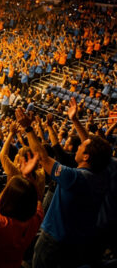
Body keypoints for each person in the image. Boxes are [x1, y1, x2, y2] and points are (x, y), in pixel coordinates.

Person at [20, 104, 112, 268]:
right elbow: (92, 146)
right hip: (78, 242)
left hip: (54, 242)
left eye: (81, 146)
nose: (78, 146)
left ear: (86, 156)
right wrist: (75, 120)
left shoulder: (74, 177)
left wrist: (28, 128)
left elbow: (43, 157)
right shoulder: (103, 175)